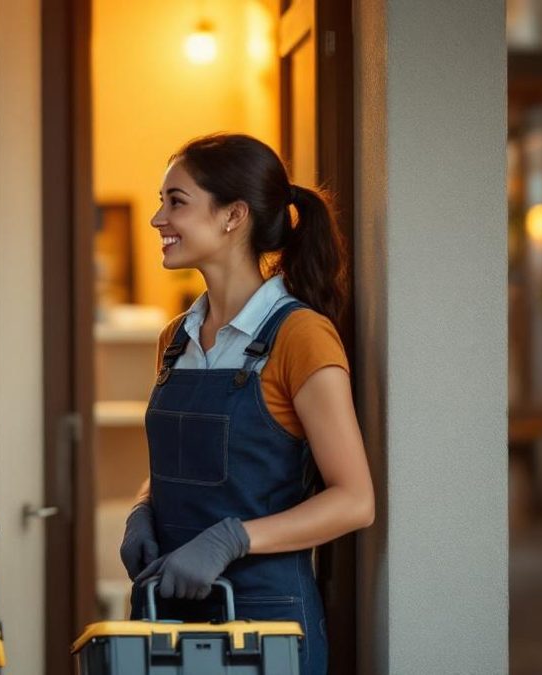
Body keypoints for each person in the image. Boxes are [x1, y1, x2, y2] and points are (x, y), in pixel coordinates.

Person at [118, 133, 374, 674]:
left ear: (234, 215)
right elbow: (184, 465)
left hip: (266, 628)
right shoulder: (176, 340)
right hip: (170, 619)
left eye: (176, 202)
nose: (157, 219)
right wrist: (143, 509)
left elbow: (354, 500)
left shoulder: (301, 336)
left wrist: (233, 539)